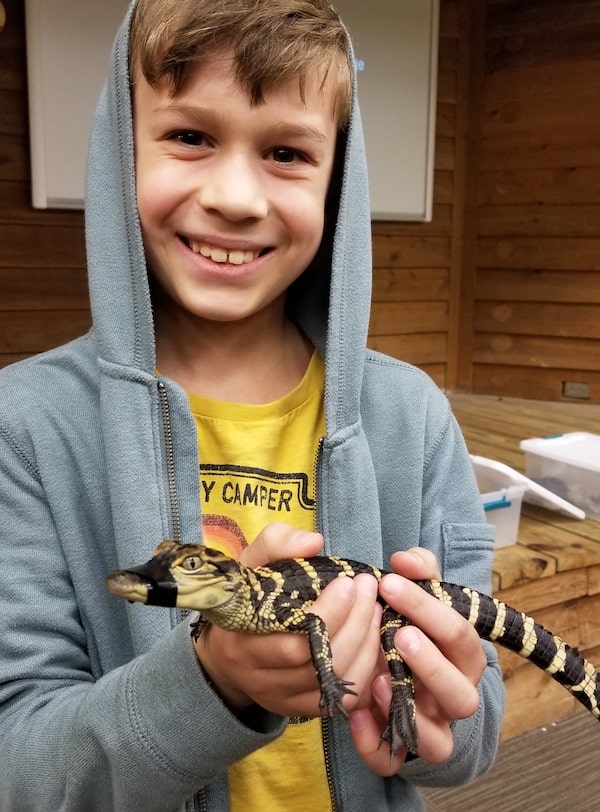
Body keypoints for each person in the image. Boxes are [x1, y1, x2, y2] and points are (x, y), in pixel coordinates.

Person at [0, 0, 504, 809]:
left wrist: (449, 721)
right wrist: (211, 684)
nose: (235, 196)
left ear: (338, 174)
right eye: (191, 136)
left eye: (285, 151)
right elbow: (19, 768)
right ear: (119, 151)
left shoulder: (412, 418)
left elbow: (470, 725)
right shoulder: (20, 428)